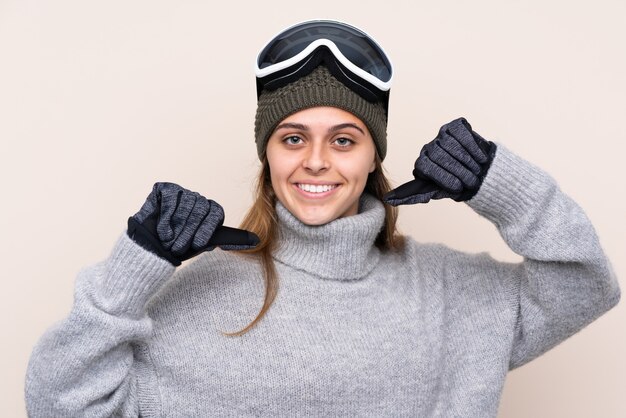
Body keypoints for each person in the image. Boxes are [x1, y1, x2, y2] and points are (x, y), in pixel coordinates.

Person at [25, 20, 620, 417]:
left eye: (343, 139)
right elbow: (57, 405)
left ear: (372, 156)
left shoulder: (453, 294)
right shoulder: (198, 295)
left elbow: (585, 284)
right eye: (292, 138)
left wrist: (503, 187)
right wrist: (134, 267)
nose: (315, 161)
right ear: (267, 153)